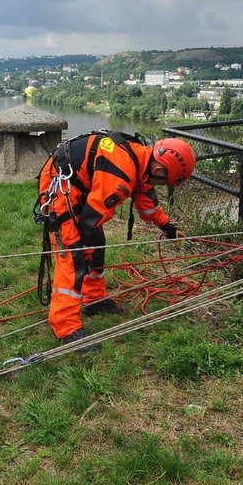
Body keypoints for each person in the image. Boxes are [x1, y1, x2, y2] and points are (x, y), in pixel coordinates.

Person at [36, 132, 196, 348]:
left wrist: (168, 228)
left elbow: (147, 202)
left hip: (79, 185)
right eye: (163, 181)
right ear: (158, 169)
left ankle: (94, 300)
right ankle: (66, 327)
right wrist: (83, 248)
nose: (159, 184)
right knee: (74, 256)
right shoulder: (121, 174)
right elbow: (91, 218)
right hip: (60, 187)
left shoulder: (141, 158)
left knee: (97, 246)